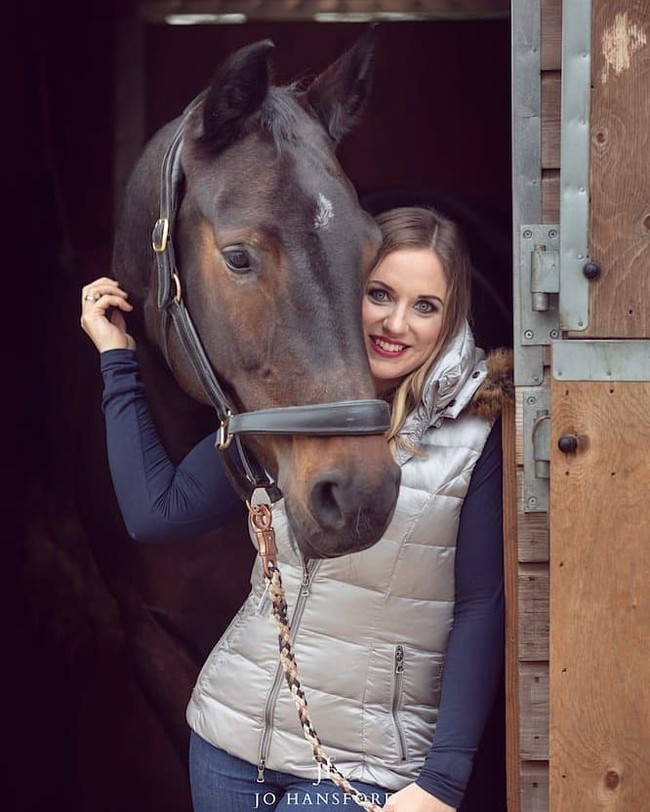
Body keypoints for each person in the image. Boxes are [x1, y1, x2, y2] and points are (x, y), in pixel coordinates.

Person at [80, 206, 510, 812]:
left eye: (425, 306)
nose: (394, 323)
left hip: (365, 766)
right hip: (230, 739)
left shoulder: (474, 435)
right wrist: (116, 359)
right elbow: (157, 511)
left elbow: (480, 605)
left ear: (451, 317)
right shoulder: (290, 410)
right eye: (378, 294)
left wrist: (444, 779)